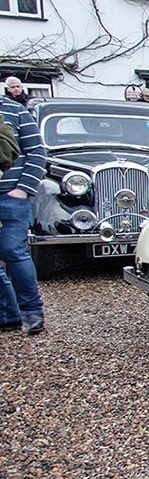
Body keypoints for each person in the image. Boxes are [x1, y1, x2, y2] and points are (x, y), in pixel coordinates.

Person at [0, 94, 47, 334]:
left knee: (12, 250)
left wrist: (22, 189)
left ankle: (31, 311)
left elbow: (37, 152)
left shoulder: (14, 110)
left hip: (9, 195)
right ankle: (7, 314)